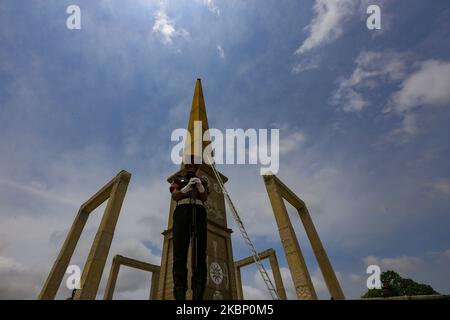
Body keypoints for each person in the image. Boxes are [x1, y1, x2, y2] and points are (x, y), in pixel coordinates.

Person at [169, 159, 209, 300]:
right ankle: (180, 295)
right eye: (189, 165)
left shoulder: (202, 181)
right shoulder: (178, 179)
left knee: (200, 254)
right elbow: (174, 195)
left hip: (198, 212)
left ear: (197, 167)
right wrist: (185, 188)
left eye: (195, 165)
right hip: (182, 211)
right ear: (186, 166)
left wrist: (200, 187)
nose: (192, 167)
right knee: (180, 254)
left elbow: (204, 197)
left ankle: (197, 295)